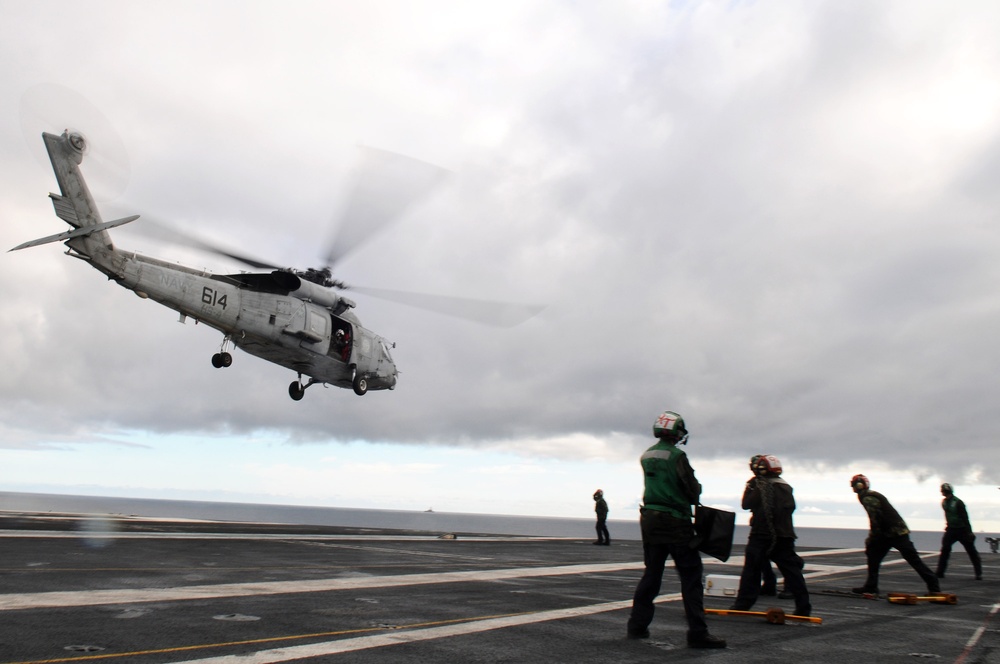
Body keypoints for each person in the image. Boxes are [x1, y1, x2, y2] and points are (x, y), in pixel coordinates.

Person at [626, 410, 726, 649]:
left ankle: (637, 626)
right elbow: (692, 490)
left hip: (650, 519)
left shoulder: (646, 455)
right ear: (676, 431)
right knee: (691, 576)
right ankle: (697, 633)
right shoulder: (676, 456)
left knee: (652, 574)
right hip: (675, 521)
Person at [730, 455, 811, 617]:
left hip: (762, 534)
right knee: (792, 571)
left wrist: (750, 486)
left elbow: (747, 504)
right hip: (785, 535)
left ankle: (743, 604)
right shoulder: (786, 486)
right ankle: (803, 607)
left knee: (751, 570)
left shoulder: (760, 485)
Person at [850, 474, 941, 595]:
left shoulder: (868, 498)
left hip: (894, 533)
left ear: (859, 485)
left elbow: (875, 519)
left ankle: (934, 586)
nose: (853, 487)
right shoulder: (869, 495)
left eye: (854, 485)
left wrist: (872, 537)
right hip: (890, 533)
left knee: (912, 560)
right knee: (874, 557)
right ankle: (871, 586)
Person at [936, 483, 983, 580]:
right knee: (945, 549)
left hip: (962, 530)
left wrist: (969, 532)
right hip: (951, 529)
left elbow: (965, 518)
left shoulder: (958, 502)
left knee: (971, 551)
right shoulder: (944, 502)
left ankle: (978, 573)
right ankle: (940, 572)